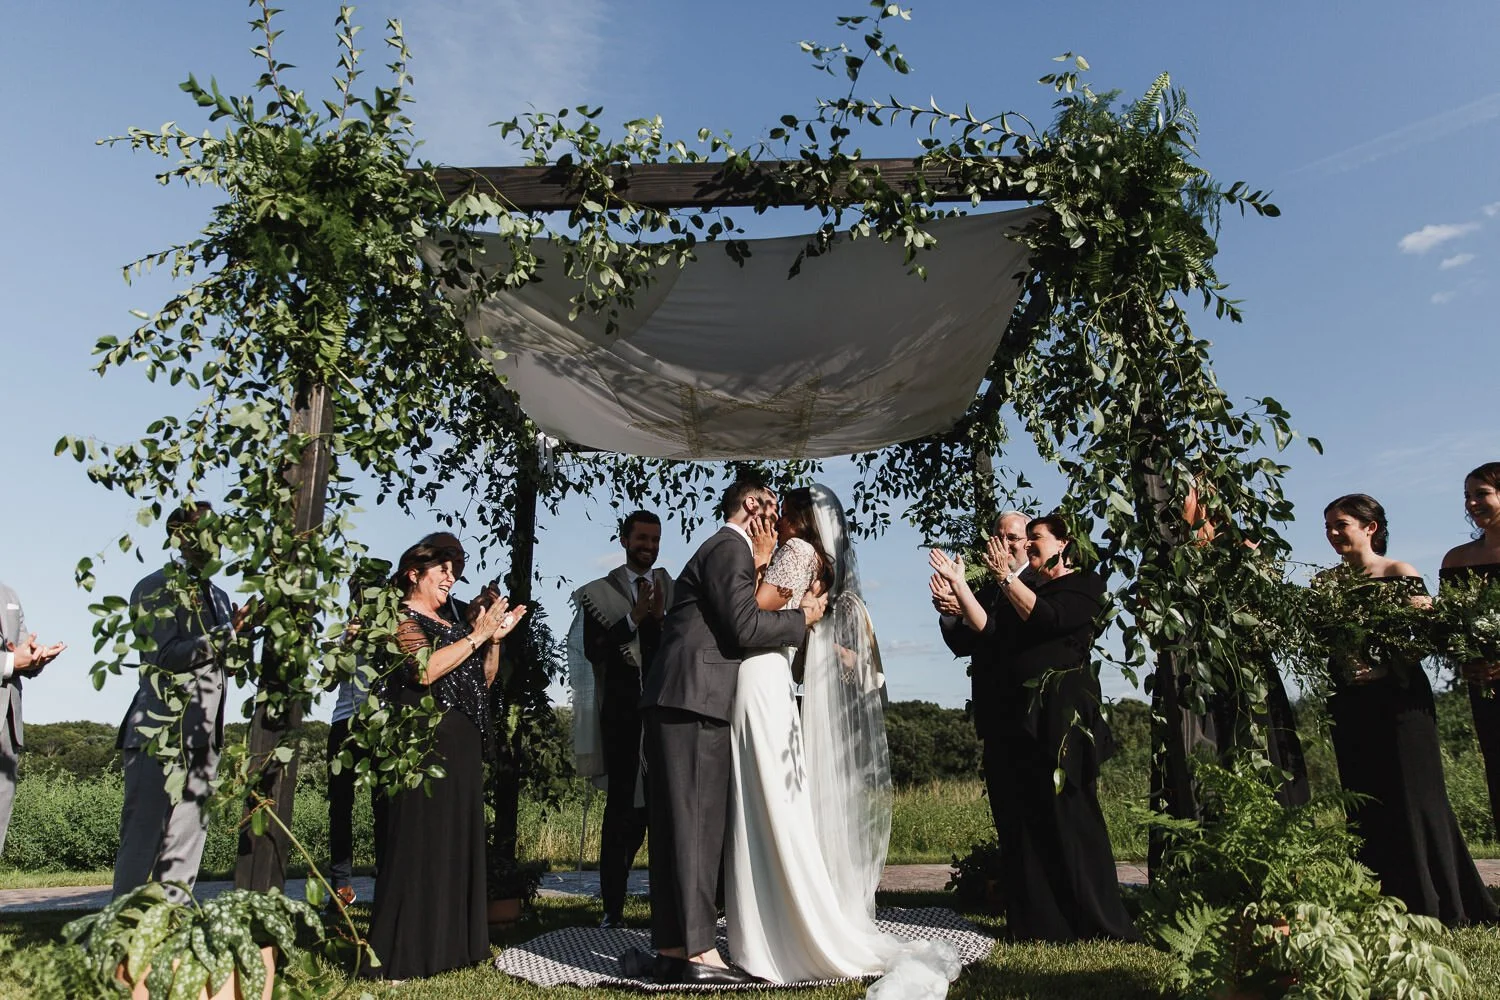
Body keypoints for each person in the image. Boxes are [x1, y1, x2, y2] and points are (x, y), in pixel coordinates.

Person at [724, 485, 959, 995]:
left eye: (783, 511)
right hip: (771, 678)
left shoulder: (796, 552)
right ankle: (770, 926)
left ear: (802, 519)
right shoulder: (810, 556)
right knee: (766, 803)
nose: (775, 518)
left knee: (769, 803)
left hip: (762, 675)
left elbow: (753, 612)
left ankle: (785, 932)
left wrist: (760, 559)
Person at [635, 478, 825, 987]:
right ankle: (700, 952)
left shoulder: (730, 549)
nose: (777, 512)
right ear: (750, 505)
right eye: (770, 503)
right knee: (695, 827)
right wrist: (801, 620)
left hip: (685, 698)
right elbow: (743, 628)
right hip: (693, 698)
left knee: (682, 826)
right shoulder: (728, 547)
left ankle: (674, 948)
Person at [930, 514, 1138, 943]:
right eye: (1001, 537)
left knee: (1071, 822)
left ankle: (1099, 922)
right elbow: (980, 637)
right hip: (1008, 721)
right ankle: (1038, 925)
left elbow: (1046, 619)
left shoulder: (1083, 586)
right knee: (1019, 825)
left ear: (1059, 543)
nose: (1009, 545)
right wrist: (955, 605)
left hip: (1060, 721)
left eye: (1025, 538)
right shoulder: (1001, 587)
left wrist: (1001, 581)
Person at [1320, 494, 1495, 925]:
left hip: (1400, 701)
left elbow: (1424, 638)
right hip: (1350, 702)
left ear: (1369, 527)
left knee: (1417, 798)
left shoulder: (1400, 573)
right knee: (1366, 797)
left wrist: (1379, 665)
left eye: (1341, 524)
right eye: (1328, 526)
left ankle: (1440, 901)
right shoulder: (1325, 582)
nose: (1333, 533)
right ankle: (1385, 900)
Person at [365, 539, 527, 980]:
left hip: (462, 743)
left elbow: (485, 680)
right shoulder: (399, 616)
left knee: (455, 844)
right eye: (443, 567)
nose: (451, 576)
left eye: (455, 569)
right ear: (415, 573)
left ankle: (451, 947)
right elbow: (423, 670)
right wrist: (476, 635)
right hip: (420, 747)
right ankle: (401, 954)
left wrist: (493, 640)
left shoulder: (452, 620)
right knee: (417, 846)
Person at [114, 502, 248, 901]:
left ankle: (171, 934)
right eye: (206, 530)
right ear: (180, 536)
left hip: (204, 738)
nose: (216, 539)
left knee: (185, 850)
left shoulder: (221, 597)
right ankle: (121, 939)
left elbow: (225, 667)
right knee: (142, 844)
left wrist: (246, 634)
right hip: (159, 733)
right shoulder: (155, 587)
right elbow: (165, 657)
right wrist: (228, 634)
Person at [567, 510, 673, 928]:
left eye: (655, 539)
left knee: (664, 811)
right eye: (642, 538)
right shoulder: (598, 594)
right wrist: (634, 618)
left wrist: (661, 619)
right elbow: (594, 652)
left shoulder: (668, 586)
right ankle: (613, 907)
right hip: (623, 721)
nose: (649, 546)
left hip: (664, 716)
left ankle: (671, 902)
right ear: (625, 540)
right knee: (622, 815)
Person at [932, 511, 1035, 847]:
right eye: (999, 537)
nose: (1005, 545)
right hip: (994, 715)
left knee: (1034, 818)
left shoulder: (1039, 582)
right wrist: (952, 616)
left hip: (1032, 716)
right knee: (1007, 817)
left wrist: (965, 607)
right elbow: (966, 644)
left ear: (1028, 543)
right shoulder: (986, 588)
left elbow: (1004, 633)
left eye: (1013, 538)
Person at [1440, 462, 1500, 842]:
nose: (1472, 503)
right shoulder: (1456, 560)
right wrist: (1465, 660)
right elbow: (1450, 625)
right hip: (1486, 685)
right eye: (1468, 495)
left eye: (1482, 494)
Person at [0, 582, 65, 856]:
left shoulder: (9, 594)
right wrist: (10, 663)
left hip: (7, 726)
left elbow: (21, 651)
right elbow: (11, 660)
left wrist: (36, 657)